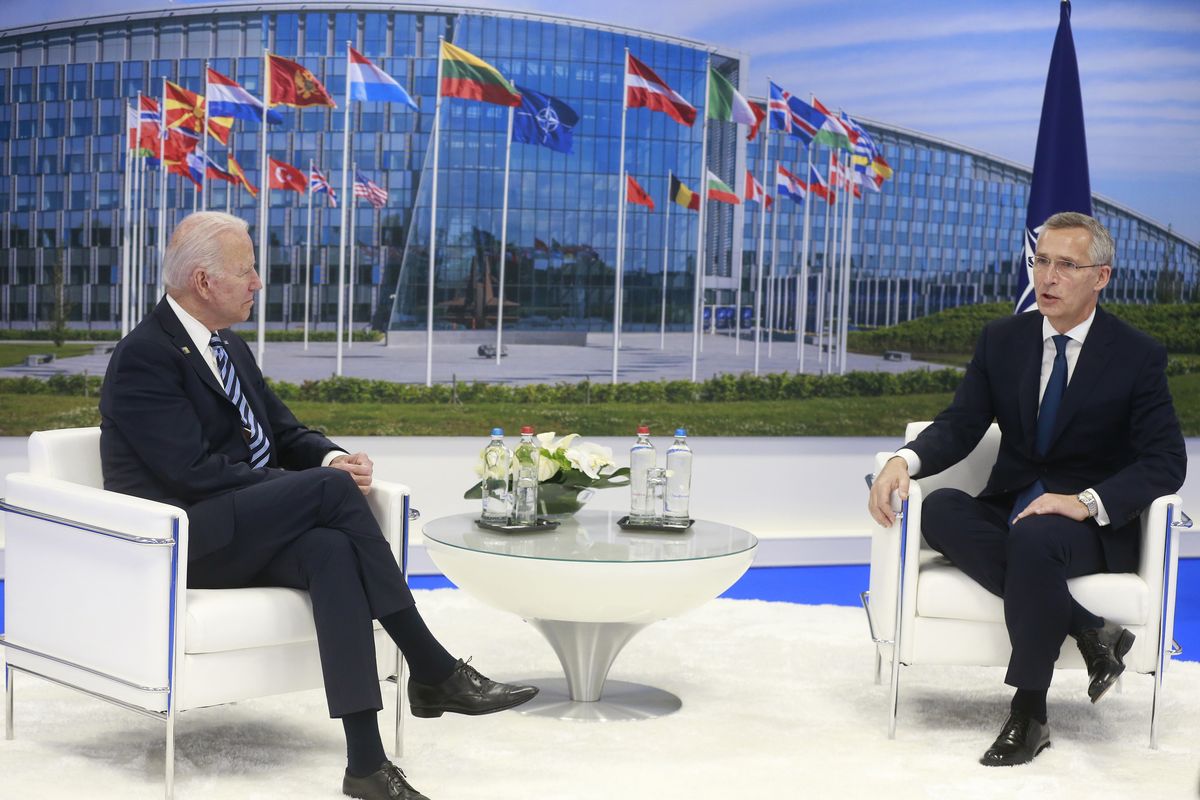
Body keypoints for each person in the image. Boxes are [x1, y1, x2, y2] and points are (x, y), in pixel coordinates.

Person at [100, 211, 538, 800]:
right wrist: (304, 488)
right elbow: (192, 474)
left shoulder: (225, 346)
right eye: (248, 271)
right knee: (326, 497)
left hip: (246, 527)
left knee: (331, 549)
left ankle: (366, 766)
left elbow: (283, 431)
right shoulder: (144, 357)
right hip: (184, 542)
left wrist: (331, 461)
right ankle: (433, 668)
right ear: (206, 282)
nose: (258, 282)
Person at [867, 211, 1186, 767]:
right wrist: (904, 459)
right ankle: (1090, 630)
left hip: (1087, 527)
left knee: (1036, 538)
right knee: (939, 509)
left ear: (1101, 277)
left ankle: (1030, 711)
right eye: (1041, 261)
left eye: (1067, 265)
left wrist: (1084, 503)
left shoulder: (1136, 355)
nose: (1049, 277)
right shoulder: (1003, 340)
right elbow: (962, 424)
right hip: (1011, 506)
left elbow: (1166, 462)